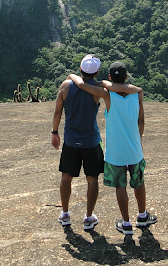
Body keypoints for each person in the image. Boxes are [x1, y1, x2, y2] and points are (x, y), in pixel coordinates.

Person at [68, 61, 157, 235]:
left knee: (120, 187)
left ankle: (126, 224)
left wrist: (72, 76)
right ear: (126, 76)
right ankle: (142, 216)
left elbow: (83, 84)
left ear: (110, 77)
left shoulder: (107, 95)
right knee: (138, 183)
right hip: (134, 149)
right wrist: (138, 139)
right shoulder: (137, 95)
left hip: (115, 153)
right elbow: (141, 120)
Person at [51, 54, 104, 231]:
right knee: (92, 178)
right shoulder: (98, 89)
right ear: (96, 73)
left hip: (71, 141)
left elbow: (58, 112)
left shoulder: (66, 86)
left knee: (66, 176)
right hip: (91, 142)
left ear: (80, 69)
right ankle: (88, 217)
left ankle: (65, 214)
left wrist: (55, 132)